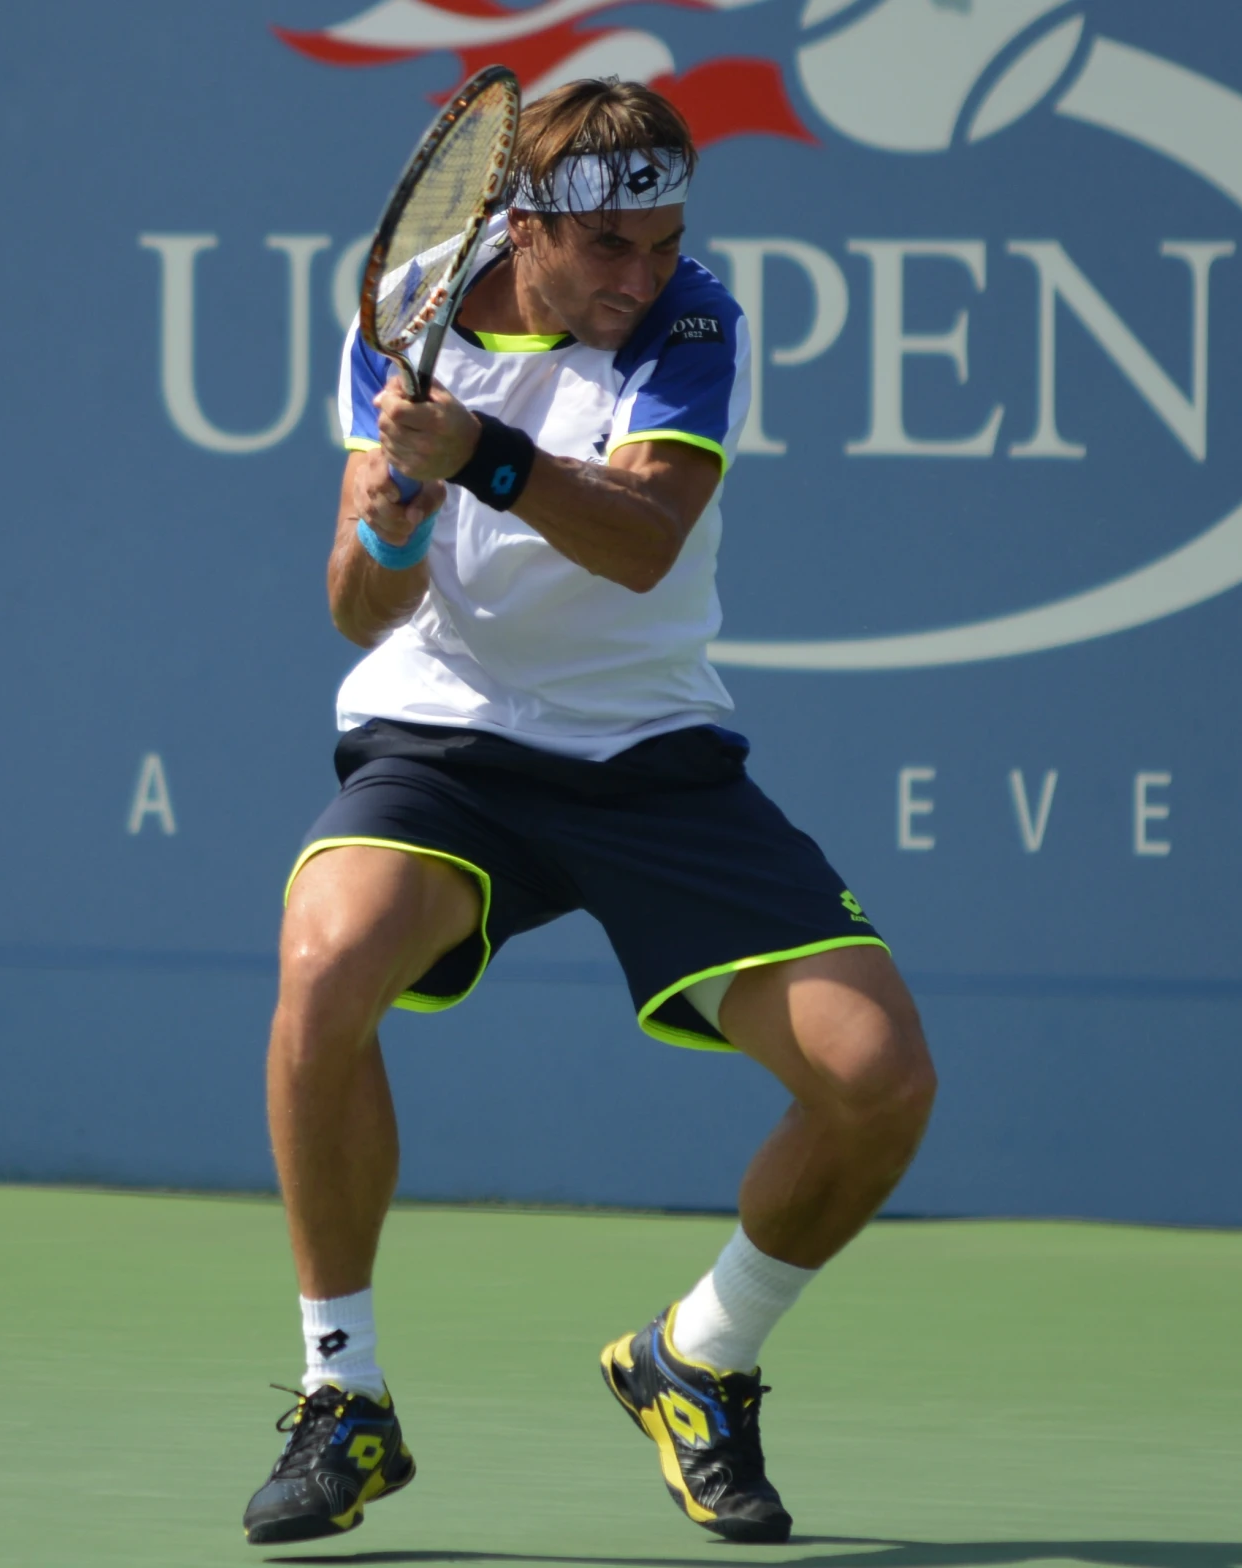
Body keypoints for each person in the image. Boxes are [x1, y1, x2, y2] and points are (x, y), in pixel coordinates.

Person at [240, 79, 937, 1548]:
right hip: (451, 740)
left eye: (664, 240)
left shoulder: (696, 322)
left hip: (651, 750)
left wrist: (480, 457)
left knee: (879, 1078)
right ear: (528, 229)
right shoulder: (407, 312)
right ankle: (340, 1400)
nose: (642, 275)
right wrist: (392, 522)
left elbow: (639, 543)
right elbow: (358, 608)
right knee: (324, 962)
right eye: (609, 246)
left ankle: (699, 1359)